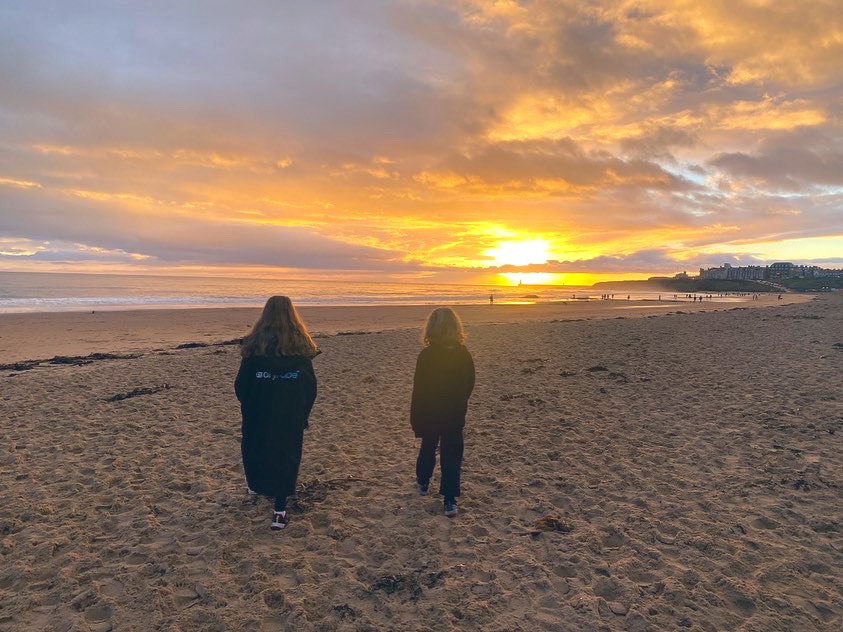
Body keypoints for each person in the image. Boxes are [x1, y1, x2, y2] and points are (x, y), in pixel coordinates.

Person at [235, 296, 319, 531]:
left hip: (259, 413)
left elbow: (241, 386)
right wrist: (302, 414)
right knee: (286, 456)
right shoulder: (301, 349)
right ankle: (279, 510)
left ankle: (258, 487)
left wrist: (250, 405)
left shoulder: (254, 348)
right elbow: (310, 389)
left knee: (256, 449)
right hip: (288, 415)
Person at [410, 307, 475, 517]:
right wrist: (460, 402)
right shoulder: (463, 355)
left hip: (431, 411)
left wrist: (416, 418)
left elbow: (418, 389)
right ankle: (449, 498)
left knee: (428, 446)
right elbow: (469, 384)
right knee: (452, 453)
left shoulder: (427, 356)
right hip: (454, 412)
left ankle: (423, 482)